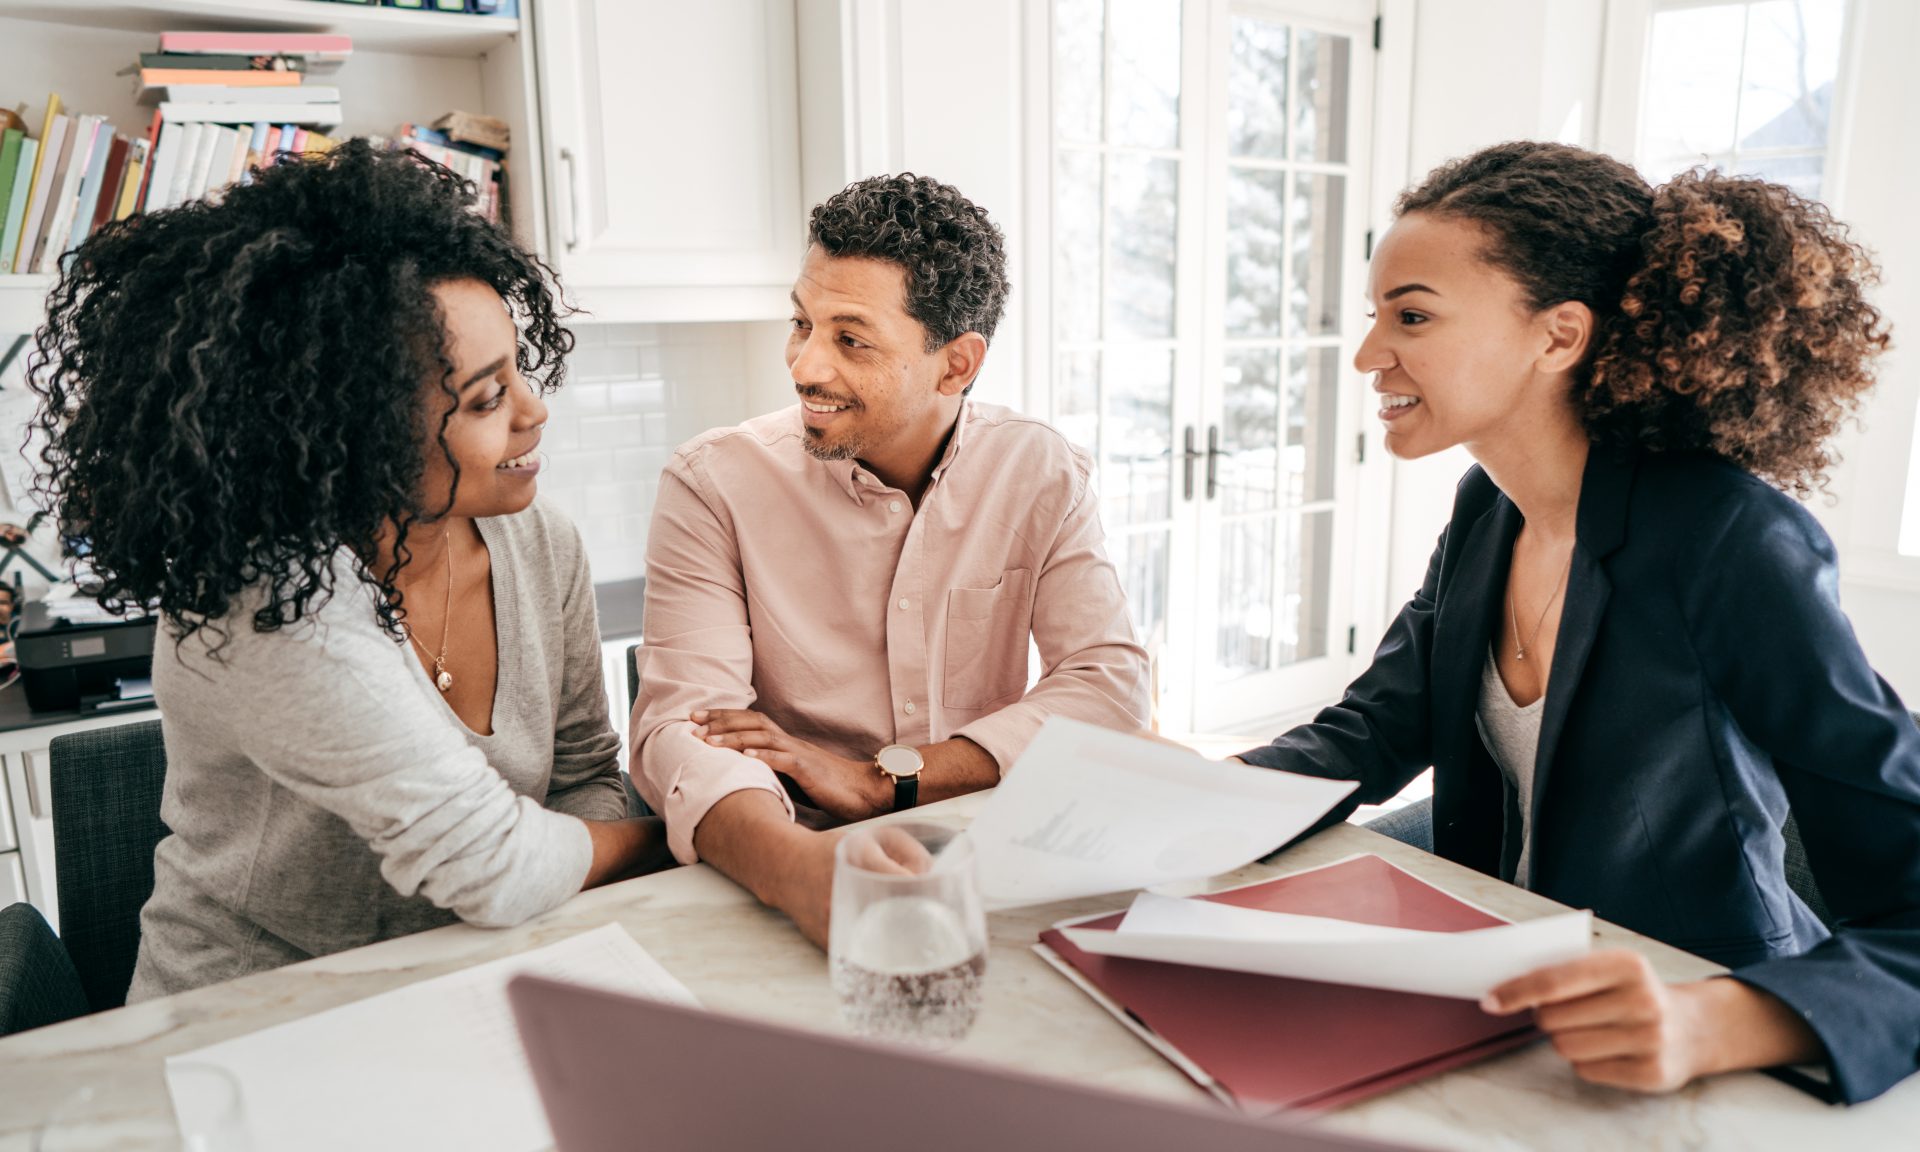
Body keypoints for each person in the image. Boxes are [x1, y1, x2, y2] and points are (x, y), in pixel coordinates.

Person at [1236, 141, 1918, 1104]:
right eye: (1375, 316)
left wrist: (1714, 1019)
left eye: (1413, 316)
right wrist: (1182, 795)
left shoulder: (1728, 538)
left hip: (1695, 1026)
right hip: (1513, 1006)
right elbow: (1371, 729)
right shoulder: (1489, 509)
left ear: (1558, 335)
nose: (1367, 355)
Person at [28, 141, 673, 1000]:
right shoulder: (265, 601)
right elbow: (494, 863)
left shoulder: (540, 541)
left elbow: (585, 774)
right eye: (485, 398)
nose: (535, 410)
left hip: (473, 975)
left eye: (519, 370)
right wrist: (677, 834)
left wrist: (564, 876)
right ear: (358, 434)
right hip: (260, 1013)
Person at [630, 173, 1150, 943]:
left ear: (957, 364)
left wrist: (890, 781)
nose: (805, 366)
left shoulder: (1039, 472)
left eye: (851, 339)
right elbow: (681, 730)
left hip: (990, 858)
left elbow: (1109, 686)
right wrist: (799, 870)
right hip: (782, 864)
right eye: (801, 323)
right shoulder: (713, 483)